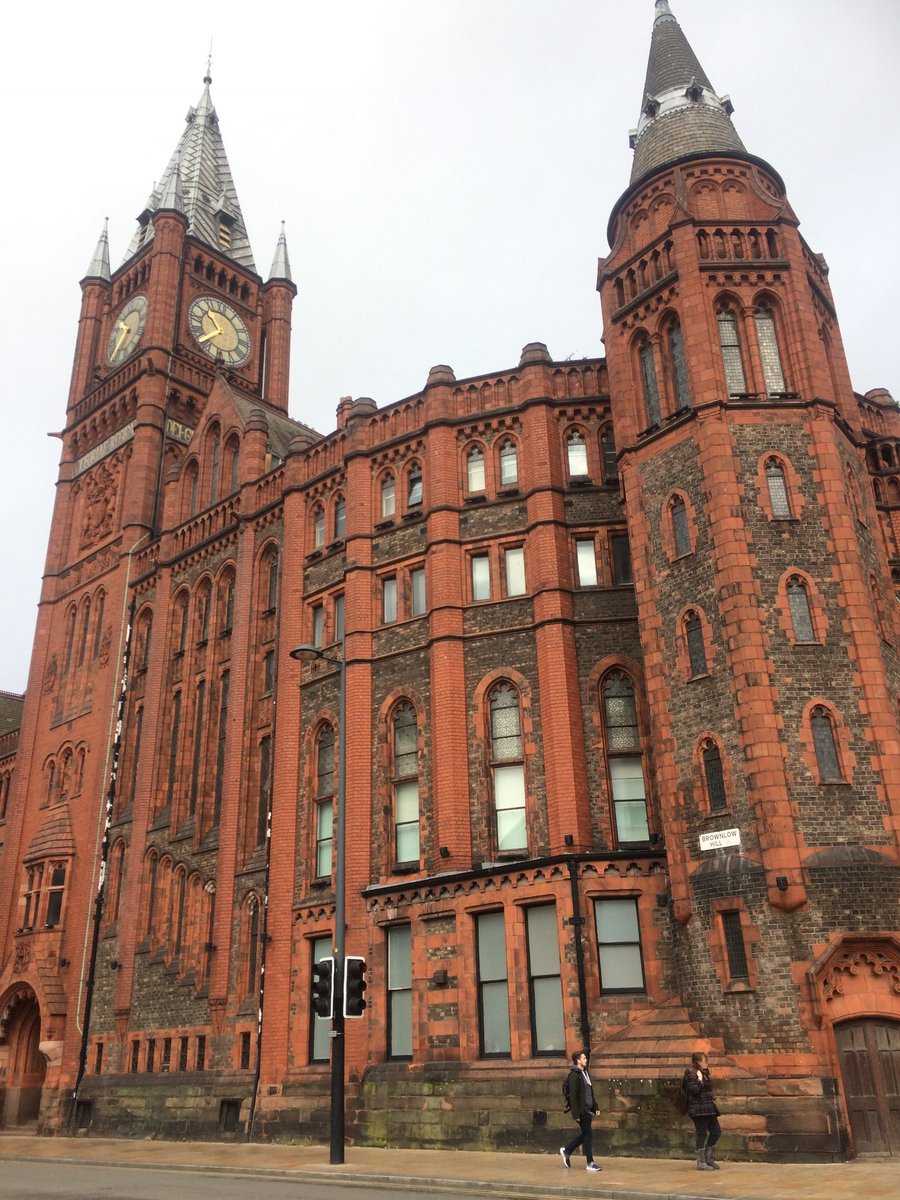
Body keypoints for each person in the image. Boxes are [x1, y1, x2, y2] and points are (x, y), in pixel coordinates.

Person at [559, 1049, 602, 1172]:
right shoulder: (574, 1075)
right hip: (581, 1111)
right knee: (588, 1135)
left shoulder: (585, 1073)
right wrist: (576, 1114)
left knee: (586, 1135)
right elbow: (573, 1096)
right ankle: (590, 1162)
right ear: (578, 1060)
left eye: (585, 1058)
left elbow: (590, 1092)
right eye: (583, 1058)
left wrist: (596, 1107)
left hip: (588, 1109)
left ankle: (567, 1150)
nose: (586, 1060)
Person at [682, 1051, 721, 1171]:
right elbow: (694, 1090)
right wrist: (699, 1080)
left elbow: (708, 1088)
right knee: (701, 1133)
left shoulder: (703, 1073)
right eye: (705, 1060)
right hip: (697, 1109)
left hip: (708, 1108)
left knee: (716, 1131)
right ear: (698, 1062)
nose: (707, 1063)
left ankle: (709, 1157)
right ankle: (701, 1161)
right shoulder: (690, 1074)